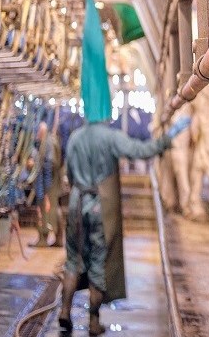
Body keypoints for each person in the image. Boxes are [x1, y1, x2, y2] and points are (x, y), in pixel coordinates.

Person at [58, 120, 171, 336]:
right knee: (98, 263)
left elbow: (70, 175)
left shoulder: (75, 137)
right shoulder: (111, 137)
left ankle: (65, 311)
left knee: (73, 260)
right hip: (98, 206)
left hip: (76, 204)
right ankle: (93, 321)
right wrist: (166, 141)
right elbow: (140, 150)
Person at [30, 122, 64, 248]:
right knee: (53, 209)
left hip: (49, 183)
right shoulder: (49, 141)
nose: (36, 135)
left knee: (47, 209)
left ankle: (44, 238)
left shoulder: (48, 142)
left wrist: (46, 189)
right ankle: (58, 238)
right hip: (51, 182)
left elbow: (49, 164)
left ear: (42, 131)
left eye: (37, 132)